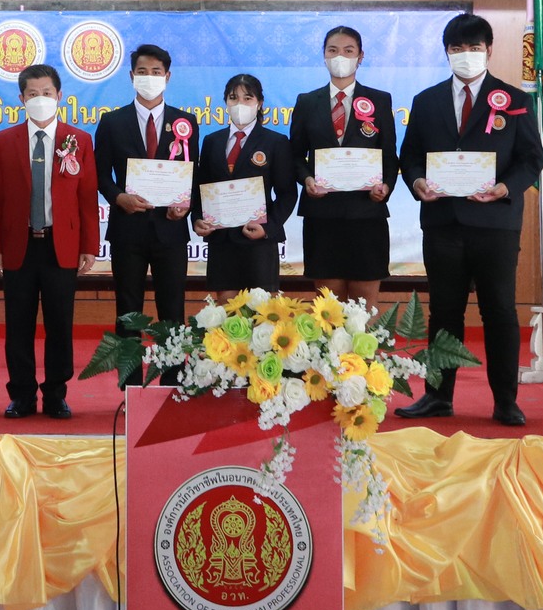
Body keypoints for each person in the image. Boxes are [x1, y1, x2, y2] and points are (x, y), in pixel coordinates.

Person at [393, 12, 543, 426]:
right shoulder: (426, 101)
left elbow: (532, 159)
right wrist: (417, 181)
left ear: (489, 51)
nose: (466, 54)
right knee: (444, 312)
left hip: (495, 224)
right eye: (457, 48)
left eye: (474, 47)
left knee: (500, 312)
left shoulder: (515, 99)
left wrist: (505, 187)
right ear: (446, 52)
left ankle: (506, 401)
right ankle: (438, 396)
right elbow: (410, 156)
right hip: (443, 223)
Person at [0, 64, 98, 419]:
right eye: (32, 94)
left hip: (60, 245)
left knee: (59, 325)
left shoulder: (78, 140)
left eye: (46, 93)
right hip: (18, 245)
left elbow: (87, 198)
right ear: (21, 99)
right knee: (18, 325)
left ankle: (55, 394)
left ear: (59, 96)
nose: (40, 99)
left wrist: (89, 246)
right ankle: (21, 394)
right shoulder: (5, 141)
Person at [93, 43, 196, 381]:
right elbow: (99, 174)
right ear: (131, 76)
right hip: (128, 230)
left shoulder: (186, 122)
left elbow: (192, 174)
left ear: (167, 76)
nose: (149, 78)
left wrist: (185, 205)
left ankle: (171, 382)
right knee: (127, 311)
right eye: (142, 72)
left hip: (170, 230)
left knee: (173, 311)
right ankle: (130, 386)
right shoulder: (112, 122)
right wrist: (118, 197)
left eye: (156, 72)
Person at [291, 23, 398, 309]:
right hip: (322, 216)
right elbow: (295, 156)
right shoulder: (306, 102)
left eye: (348, 51)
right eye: (333, 50)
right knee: (329, 310)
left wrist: (386, 187)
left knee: (364, 309)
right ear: (324, 56)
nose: (340, 56)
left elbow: (389, 156)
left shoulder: (379, 100)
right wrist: (307, 180)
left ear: (360, 56)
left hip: (367, 215)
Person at [191, 74, 296, 293]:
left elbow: (287, 194)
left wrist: (267, 228)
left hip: (259, 242)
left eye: (247, 98)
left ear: (260, 103)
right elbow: (201, 187)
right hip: (221, 241)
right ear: (226, 103)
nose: (240, 104)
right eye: (233, 98)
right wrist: (197, 218)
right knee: (225, 309)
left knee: (262, 310)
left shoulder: (275, 142)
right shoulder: (212, 141)